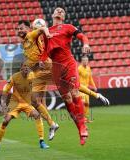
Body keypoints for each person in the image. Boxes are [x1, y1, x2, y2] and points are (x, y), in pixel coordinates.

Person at [41, 7, 92, 145]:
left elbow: (82, 36)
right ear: (52, 14)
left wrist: (85, 43)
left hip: (69, 63)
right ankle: (80, 129)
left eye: (62, 11)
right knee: (67, 99)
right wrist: (41, 62)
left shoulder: (68, 27)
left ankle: (82, 127)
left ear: (63, 17)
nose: (59, 11)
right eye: (57, 10)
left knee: (75, 92)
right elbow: (45, 53)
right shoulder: (47, 32)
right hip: (56, 68)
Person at [0, 63, 49, 152]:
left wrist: (42, 103)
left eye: (27, 66)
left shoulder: (32, 76)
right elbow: (4, 94)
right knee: (5, 120)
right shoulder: (14, 77)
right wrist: (4, 107)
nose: (26, 68)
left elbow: (42, 86)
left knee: (37, 115)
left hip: (27, 103)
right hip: (15, 103)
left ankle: (42, 141)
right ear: (21, 68)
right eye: (24, 66)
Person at [16, 20, 59, 140]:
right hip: (39, 72)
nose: (19, 31)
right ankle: (52, 124)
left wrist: (47, 33)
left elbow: (42, 29)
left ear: (28, 28)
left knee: (37, 101)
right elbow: (30, 60)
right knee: (36, 102)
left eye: (21, 28)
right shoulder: (24, 43)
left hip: (46, 67)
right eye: (18, 29)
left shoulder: (31, 34)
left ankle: (52, 124)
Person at [78, 55, 97, 122]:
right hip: (80, 88)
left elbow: (90, 78)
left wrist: (94, 86)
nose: (85, 61)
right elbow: (76, 78)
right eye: (84, 60)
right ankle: (81, 118)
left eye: (86, 60)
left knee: (87, 104)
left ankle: (85, 118)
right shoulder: (79, 68)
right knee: (82, 102)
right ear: (81, 61)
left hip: (87, 89)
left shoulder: (88, 68)